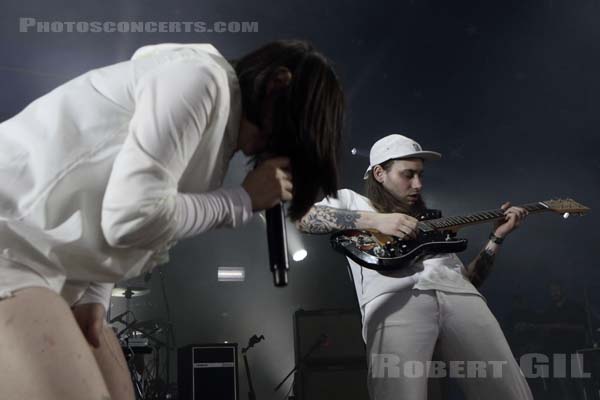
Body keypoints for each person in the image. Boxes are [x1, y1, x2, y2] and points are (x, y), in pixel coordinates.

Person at [0, 40, 344, 400]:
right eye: (276, 140)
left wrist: (94, 293)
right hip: (12, 239)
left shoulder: (216, 129)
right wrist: (242, 200)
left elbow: (109, 205)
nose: (262, 151)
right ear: (277, 83)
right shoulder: (200, 79)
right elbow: (131, 217)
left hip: (52, 264)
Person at [297, 134, 533, 399]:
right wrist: (375, 221)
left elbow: (469, 279)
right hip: (396, 298)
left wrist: (496, 238)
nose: (418, 184)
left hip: (460, 294)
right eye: (407, 175)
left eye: (420, 175)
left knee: (509, 390)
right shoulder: (352, 201)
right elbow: (304, 217)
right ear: (379, 173)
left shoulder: (430, 224)